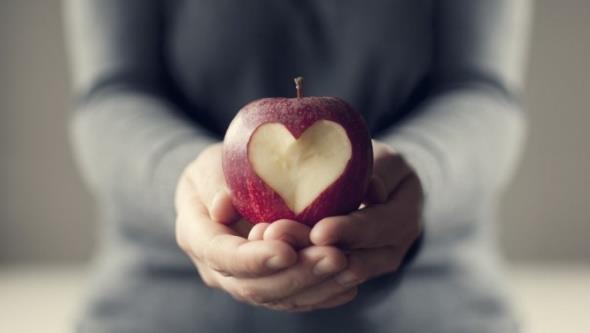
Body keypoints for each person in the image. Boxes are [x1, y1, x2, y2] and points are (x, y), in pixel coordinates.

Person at [65, 0, 531, 332]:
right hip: (164, 311)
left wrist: (418, 177)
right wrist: (185, 183)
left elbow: (479, 91)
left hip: (431, 310)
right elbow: (115, 94)